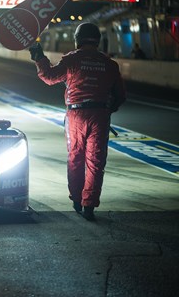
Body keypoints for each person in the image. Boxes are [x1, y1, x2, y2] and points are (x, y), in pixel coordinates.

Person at [29, 22, 126, 221]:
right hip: (100, 115)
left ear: (77, 39)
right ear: (98, 40)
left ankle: (76, 199)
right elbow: (120, 96)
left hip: (76, 115)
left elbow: (49, 77)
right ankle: (89, 205)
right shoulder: (110, 64)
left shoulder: (72, 59)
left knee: (75, 157)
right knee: (96, 162)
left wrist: (39, 57)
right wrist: (109, 109)